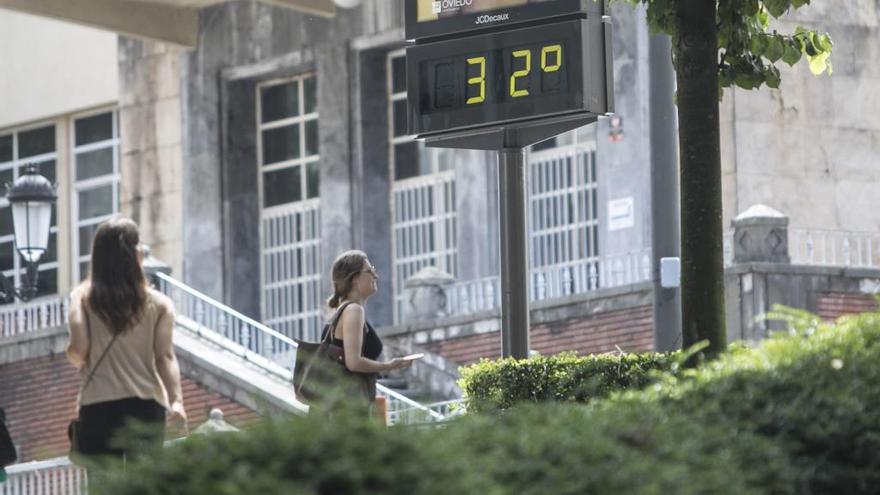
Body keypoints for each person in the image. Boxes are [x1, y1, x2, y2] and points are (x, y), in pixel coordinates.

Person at [66, 217, 186, 463]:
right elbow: (164, 357)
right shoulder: (160, 304)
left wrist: (75, 357)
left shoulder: (82, 298)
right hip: (144, 407)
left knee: (103, 487)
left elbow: (79, 349)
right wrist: (177, 401)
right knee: (143, 486)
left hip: (97, 406)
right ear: (136, 255)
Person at [322, 250, 412, 415]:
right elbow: (353, 362)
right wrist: (389, 366)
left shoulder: (346, 310)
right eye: (370, 271)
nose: (375, 276)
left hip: (341, 406)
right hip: (347, 409)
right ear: (355, 279)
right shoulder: (353, 310)